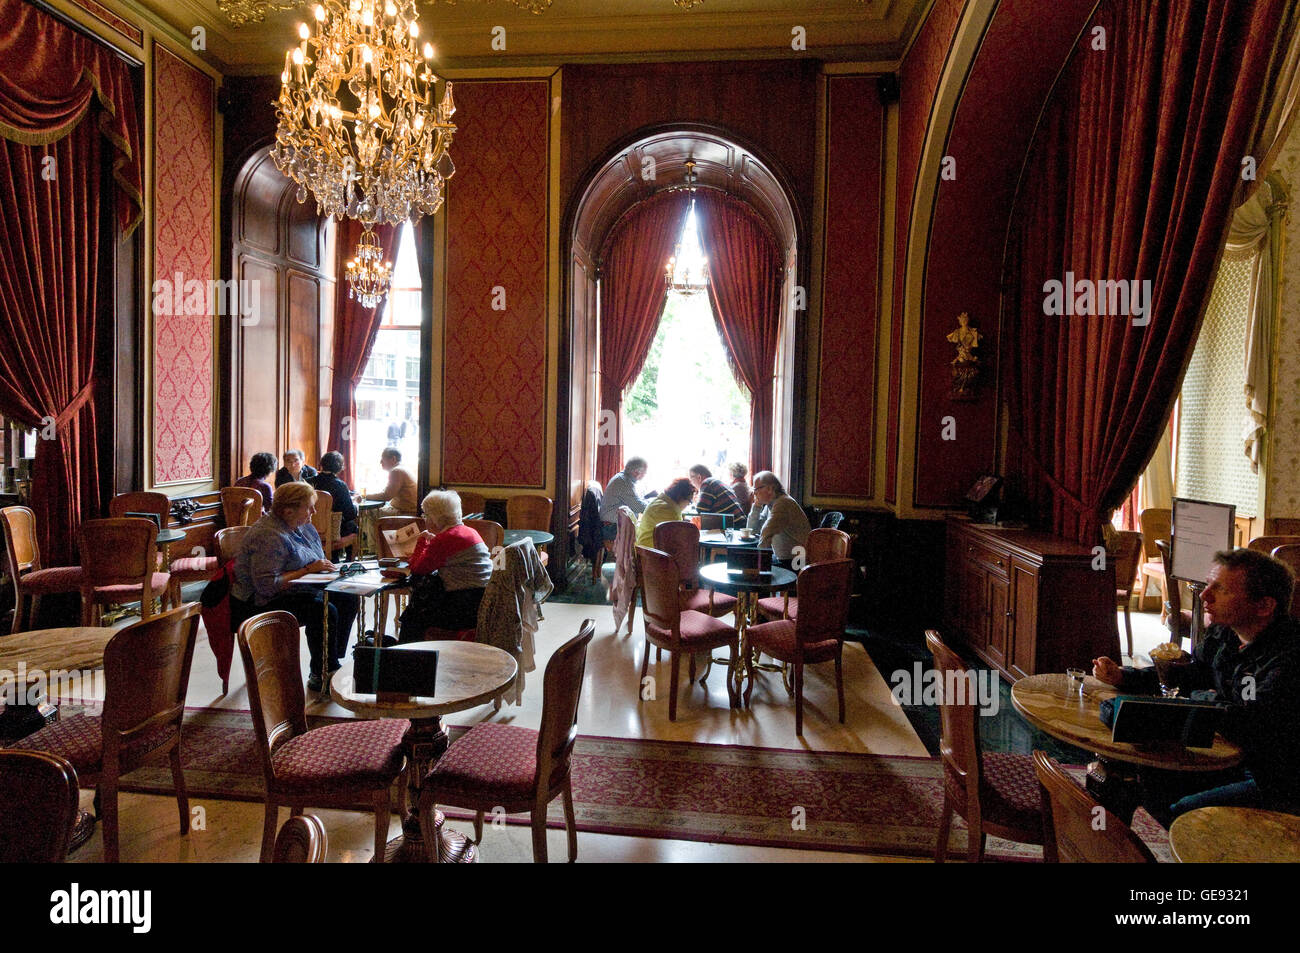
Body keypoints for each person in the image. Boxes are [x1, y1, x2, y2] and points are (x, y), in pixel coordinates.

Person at [1093, 548, 1300, 820]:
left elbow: (1248, 723)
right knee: (1145, 773)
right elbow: (1189, 676)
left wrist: (1206, 700)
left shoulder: (1289, 657)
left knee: (1185, 814)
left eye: (1221, 589)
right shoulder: (1224, 633)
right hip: (1231, 758)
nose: (1204, 595)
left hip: (1275, 780)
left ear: (1264, 606)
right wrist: (1124, 676)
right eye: (1209, 584)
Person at [231, 482, 359, 692]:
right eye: (309, 507)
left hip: (298, 588)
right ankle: (322, 671)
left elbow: (317, 559)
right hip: (259, 601)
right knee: (323, 609)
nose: (314, 512)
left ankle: (329, 660)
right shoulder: (268, 535)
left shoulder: (302, 527)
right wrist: (307, 570)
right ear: (288, 510)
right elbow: (267, 586)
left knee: (348, 597)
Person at [398, 490, 492, 642]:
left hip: (461, 606)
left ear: (435, 518)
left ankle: (405, 657)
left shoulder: (445, 538)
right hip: (480, 602)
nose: (424, 519)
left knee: (412, 616)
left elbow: (417, 569)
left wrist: (422, 542)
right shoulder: (469, 531)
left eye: (426, 515)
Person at [745, 471, 811, 568]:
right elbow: (752, 530)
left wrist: (759, 563)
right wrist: (757, 506)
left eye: (757, 489)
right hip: (785, 558)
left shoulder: (783, 503)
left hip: (796, 561)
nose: (754, 493)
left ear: (770, 488)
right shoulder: (771, 504)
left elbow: (766, 532)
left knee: (749, 566)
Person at [309, 451, 359, 544]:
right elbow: (349, 514)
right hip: (332, 531)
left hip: (309, 530)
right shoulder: (340, 485)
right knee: (352, 525)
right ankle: (348, 558)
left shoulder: (308, 483)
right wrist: (356, 505)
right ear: (339, 467)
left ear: (322, 464)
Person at [636, 477, 696, 549]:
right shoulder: (668, 509)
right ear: (681, 497)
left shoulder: (660, 502)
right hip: (655, 554)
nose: (687, 505)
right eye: (689, 502)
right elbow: (677, 539)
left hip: (647, 549)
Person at [600, 457, 649, 541]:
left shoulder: (624, 478)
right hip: (611, 527)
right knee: (645, 535)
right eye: (644, 473)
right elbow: (638, 507)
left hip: (613, 523)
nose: (645, 475)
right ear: (636, 472)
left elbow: (636, 500)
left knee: (644, 530)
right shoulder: (623, 482)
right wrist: (654, 506)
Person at [364, 447, 418, 515]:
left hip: (405, 512)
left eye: (383, 458)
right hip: (408, 510)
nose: (380, 462)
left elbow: (386, 496)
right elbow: (387, 492)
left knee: (367, 512)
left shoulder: (396, 471)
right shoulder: (403, 469)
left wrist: (364, 496)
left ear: (393, 459)